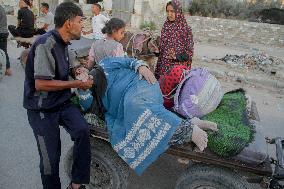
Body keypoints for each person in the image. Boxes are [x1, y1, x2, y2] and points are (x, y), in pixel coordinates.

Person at [88, 56, 217, 175]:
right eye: (76, 74)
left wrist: (141, 67)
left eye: (80, 68)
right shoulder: (89, 91)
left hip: (139, 85)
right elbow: (88, 106)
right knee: (140, 112)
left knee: (136, 105)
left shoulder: (105, 64)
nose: (80, 72)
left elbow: (129, 61)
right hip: (125, 108)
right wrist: (83, 88)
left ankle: (188, 130)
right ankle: (189, 125)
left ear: (85, 66)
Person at [23, 2, 93, 189]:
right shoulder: (45, 43)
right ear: (69, 23)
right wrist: (77, 83)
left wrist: (79, 72)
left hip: (61, 102)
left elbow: (71, 67)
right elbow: (41, 83)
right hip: (41, 108)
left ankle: (76, 185)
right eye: (80, 21)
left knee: (82, 131)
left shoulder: (65, 44)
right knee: (50, 158)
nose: (82, 26)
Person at [154, 0, 194, 109]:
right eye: (167, 11)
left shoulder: (186, 30)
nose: (169, 14)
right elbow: (162, 49)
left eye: (172, 11)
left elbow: (189, 53)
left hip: (175, 71)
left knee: (172, 99)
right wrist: (157, 51)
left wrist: (176, 57)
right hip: (162, 67)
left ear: (179, 12)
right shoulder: (166, 26)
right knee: (158, 95)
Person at [0, 5, 12, 76]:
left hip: (1, 33)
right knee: (4, 51)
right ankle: (7, 69)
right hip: (4, 32)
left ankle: (7, 69)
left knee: (3, 51)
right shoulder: (1, 8)